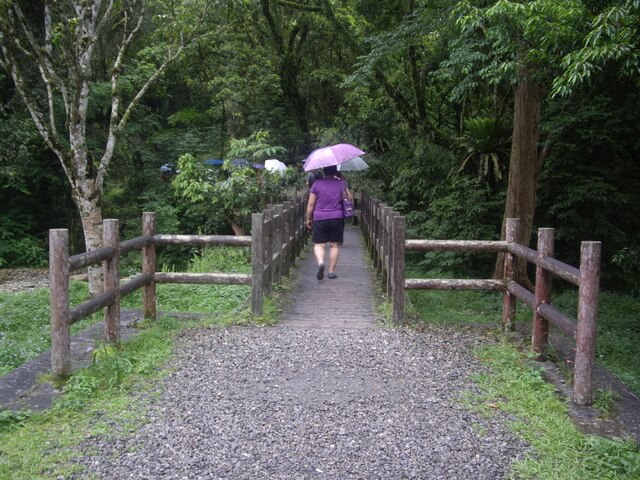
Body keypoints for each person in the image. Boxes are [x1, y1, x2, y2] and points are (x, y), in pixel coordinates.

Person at [305, 165, 353, 280]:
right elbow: (349, 199)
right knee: (334, 244)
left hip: (319, 217)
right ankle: (331, 271)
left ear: (324, 171)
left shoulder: (316, 184)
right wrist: (344, 186)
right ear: (335, 171)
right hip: (337, 217)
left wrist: (308, 218)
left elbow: (311, 204)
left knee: (318, 244)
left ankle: (321, 262)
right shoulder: (341, 183)